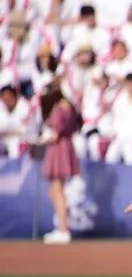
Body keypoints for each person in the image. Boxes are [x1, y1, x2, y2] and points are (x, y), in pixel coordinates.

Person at [38, 84, 80, 244]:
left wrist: (41, 140)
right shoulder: (68, 107)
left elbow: (55, 134)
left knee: (57, 189)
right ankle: (61, 227)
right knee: (55, 190)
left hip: (58, 149)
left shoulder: (58, 108)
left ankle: (63, 229)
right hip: (65, 146)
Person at [0, 83, 31, 157]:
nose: (7, 101)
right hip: (3, 141)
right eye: (4, 98)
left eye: (9, 98)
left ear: (15, 96)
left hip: (21, 141)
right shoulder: (1, 106)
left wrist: (7, 132)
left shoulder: (24, 105)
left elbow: (27, 129)